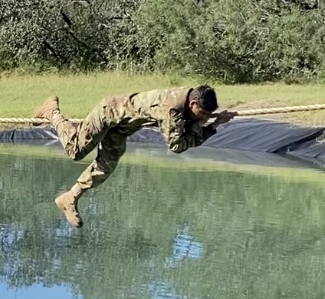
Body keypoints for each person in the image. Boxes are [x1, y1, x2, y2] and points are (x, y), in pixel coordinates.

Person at [31, 86, 238, 227]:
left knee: (107, 164)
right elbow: (177, 145)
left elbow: (188, 125)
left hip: (122, 126)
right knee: (75, 151)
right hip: (108, 113)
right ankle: (52, 112)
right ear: (193, 104)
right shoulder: (171, 109)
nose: (201, 118)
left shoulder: (188, 100)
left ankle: (70, 197)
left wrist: (207, 120)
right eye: (201, 114)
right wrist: (213, 125)